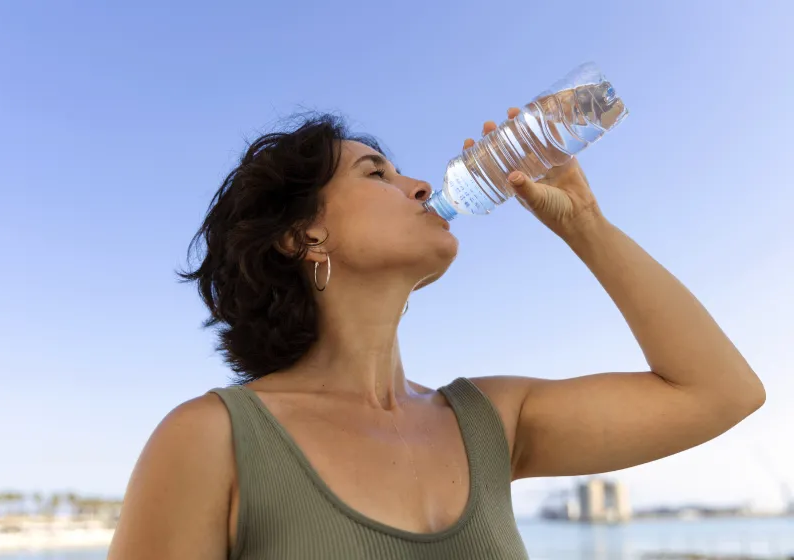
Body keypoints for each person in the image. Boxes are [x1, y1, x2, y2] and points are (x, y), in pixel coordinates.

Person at [107, 110, 765, 560]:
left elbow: (720, 391)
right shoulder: (211, 440)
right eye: (377, 174)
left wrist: (585, 224)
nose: (421, 185)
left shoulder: (491, 421)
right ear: (305, 234)